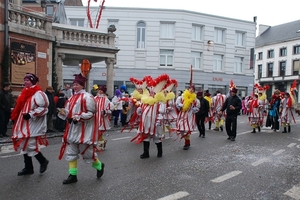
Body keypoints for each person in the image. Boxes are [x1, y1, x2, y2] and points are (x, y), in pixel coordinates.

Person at [57, 73, 104, 184]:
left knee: (87, 153)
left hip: (84, 130)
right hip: (72, 130)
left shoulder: (88, 97)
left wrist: (78, 117)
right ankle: (73, 175)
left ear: (82, 85)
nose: (74, 86)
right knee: (71, 152)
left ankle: (99, 166)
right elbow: (69, 112)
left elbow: (91, 113)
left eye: (77, 84)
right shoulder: (71, 98)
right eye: (74, 84)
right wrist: (64, 113)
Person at [10, 73, 49, 176]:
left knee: (30, 144)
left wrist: (31, 114)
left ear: (33, 81)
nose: (25, 82)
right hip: (23, 123)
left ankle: (43, 161)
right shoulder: (24, 92)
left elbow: (44, 108)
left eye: (28, 80)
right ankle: (28, 168)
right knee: (24, 145)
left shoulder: (39, 94)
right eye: (25, 80)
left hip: (33, 123)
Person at [134, 74, 168, 158]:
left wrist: (158, 122)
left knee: (156, 138)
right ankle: (146, 153)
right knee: (146, 138)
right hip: (146, 123)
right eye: (151, 91)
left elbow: (162, 112)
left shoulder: (160, 102)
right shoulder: (145, 100)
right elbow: (141, 108)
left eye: (154, 92)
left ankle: (160, 152)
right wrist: (139, 110)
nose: (152, 93)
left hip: (155, 123)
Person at [176, 85, 200, 150]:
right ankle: (186, 141)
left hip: (189, 116)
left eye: (193, 89)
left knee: (187, 129)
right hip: (182, 115)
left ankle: (187, 143)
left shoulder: (195, 99)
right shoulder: (181, 97)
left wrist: (195, 109)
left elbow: (198, 107)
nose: (191, 90)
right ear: (188, 89)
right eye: (190, 89)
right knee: (181, 129)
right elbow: (177, 105)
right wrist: (180, 106)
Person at [94, 85, 113, 151]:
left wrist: (105, 112)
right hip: (95, 118)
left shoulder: (106, 99)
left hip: (102, 118)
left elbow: (109, 110)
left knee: (99, 132)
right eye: (99, 89)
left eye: (101, 90)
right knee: (96, 132)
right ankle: (101, 142)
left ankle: (99, 145)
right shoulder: (95, 98)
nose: (99, 91)